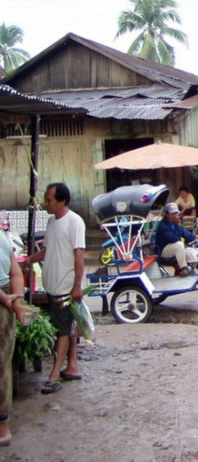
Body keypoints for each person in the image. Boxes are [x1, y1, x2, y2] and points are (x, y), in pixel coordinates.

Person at [24, 182, 86, 395]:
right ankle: (71, 367)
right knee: (64, 328)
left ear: (62, 201)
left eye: (49, 200)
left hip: (65, 287)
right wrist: (29, 260)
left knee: (62, 331)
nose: (45, 203)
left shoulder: (75, 222)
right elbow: (48, 250)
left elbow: (79, 255)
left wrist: (77, 286)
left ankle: (54, 374)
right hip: (51, 285)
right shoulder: (52, 222)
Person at [0, 229, 26, 446]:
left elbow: (15, 272)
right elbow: (16, 272)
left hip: (4, 302)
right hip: (5, 299)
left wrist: (15, 303)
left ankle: (2, 427)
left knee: (2, 366)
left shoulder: (2, 237)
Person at [154, 202, 196, 276]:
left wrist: (195, 237)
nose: (175, 215)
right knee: (179, 245)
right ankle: (184, 268)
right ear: (167, 214)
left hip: (171, 247)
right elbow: (174, 239)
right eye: (172, 213)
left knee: (188, 248)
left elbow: (185, 233)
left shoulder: (173, 223)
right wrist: (178, 223)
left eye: (176, 212)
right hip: (163, 250)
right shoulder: (163, 226)